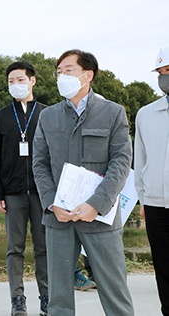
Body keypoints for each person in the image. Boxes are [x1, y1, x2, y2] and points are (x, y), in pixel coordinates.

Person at [32, 49, 134, 315]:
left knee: (115, 294)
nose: (61, 76)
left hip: (99, 218)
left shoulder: (113, 113)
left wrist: (96, 204)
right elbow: (39, 164)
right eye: (58, 72)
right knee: (58, 298)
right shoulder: (48, 116)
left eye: (68, 70)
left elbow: (121, 162)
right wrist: (52, 204)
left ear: (87, 75)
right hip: (59, 219)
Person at [0, 61, 48, 316]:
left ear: (32, 81)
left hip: (42, 193)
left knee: (44, 247)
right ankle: (17, 300)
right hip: (12, 193)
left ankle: (47, 297)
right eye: (11, 81)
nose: (16, 85)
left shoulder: (48, 113)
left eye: (20, 80)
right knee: (15, 248)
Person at [134, 45, 169, 315]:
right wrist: (143, 199)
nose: (163, 77)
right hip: (157, 206)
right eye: (160, 72)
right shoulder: (146, 114)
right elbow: (140, 161)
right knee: (164, 271)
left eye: (168, 70)